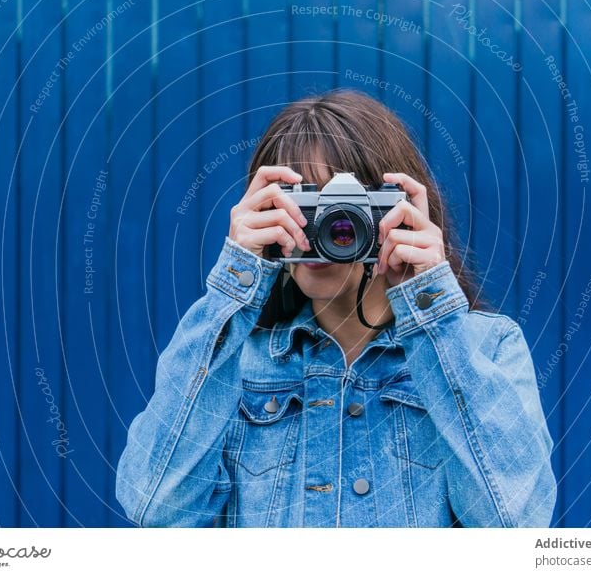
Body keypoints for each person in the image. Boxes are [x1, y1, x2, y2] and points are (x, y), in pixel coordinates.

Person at [116, 89, 556, 527]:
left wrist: (432, 309)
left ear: (396, 210)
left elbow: (515, 523)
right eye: (302, 206)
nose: (323, 228)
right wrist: (235, 285)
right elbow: (155, 507)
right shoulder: (236, 365)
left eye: (341, 209)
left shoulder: (485, 349)